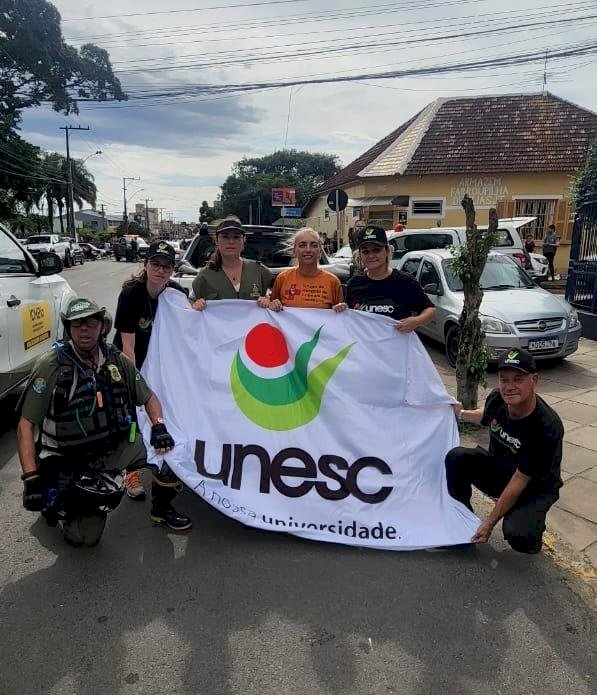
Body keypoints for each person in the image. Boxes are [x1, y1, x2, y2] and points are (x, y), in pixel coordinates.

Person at [16, 298, 182, 545]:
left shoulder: (115, 359)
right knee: (85, 538)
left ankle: (161, 508)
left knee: (172, 455)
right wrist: (30, 478)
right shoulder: (51, 365)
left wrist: (158, 425)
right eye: (77, 323)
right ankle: (55, 500)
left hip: (111, 449)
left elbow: (148, 397)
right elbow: (25, 426)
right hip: (66, 458)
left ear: (102, 326)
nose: (84, 329)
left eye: (91, 322)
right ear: (69, 327)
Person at [446, 348, 563, 554]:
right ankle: (462, 521)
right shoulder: (498, 398)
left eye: (518, 379)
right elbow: (485, 415)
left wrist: (489, 523)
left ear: (534, 380)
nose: (509, 387)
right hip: (500, 470)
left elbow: (520, 479)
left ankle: (532, 523)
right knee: (457, 457)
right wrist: (460, 413)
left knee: (519, 536)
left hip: (534, 486)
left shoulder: (546, 427)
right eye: (504, 379)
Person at [113, 241, 191, 526]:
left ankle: (160, 471)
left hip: (162, 366)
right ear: (145, 265)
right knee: (133, 418)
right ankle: (131, 469)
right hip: (131, 361)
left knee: (163, 420)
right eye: (155, 264)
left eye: (166, 266)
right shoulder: (131, 294)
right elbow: (127, 346)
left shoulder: (175, 294)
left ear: (173, 269)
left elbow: (193, 321)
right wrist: (134, 384)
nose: (160, 270)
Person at [345, 225, 435, 332]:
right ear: (360, 254)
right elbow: (349, 316)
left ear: (387, 251)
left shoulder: (405, 282)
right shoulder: (354, 283)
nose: (371, 255)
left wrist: (416, 321)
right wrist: (342, 309)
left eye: (376, 250)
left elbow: (430, 310)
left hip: (396, 347)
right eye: (365, 251)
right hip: (363, 347)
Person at [191, 218, 273, 308]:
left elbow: (274, 300)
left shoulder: (259, 271)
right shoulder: (205, 276)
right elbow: (190, 302)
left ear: (243, 241)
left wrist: (268, 301)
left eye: (236, 237)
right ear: (216, 241)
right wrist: (194, 305)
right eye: (225, 237)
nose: (231, 242)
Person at [267, 227, 346, 311]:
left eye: (314, 245)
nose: (308, 250)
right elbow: (271, 312)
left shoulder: (333, 282)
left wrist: (341, 308)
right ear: (295, 251)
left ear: (320, 251)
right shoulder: (282, 278)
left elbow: (339, 319)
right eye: (302, 245)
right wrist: (269, 304)